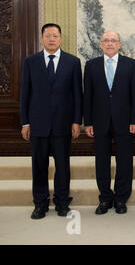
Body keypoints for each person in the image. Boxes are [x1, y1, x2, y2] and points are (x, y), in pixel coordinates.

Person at [20, 23, 82, 219]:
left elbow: (77, 95)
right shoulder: (30, 62)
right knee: (39, 166)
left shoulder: (72, 62)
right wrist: (25, 123)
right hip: (38, 124)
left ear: (61, 38)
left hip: (63, 124)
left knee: (63, 166)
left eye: (55, 36)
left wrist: (76, 121)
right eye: (48, 35)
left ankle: (62, 203)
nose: (52, 39)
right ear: (42, 38)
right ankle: (40, 204)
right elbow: (25, 95)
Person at [83, 30, 135, 215]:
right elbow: (88, 96)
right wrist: (88, 122)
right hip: (99, 121)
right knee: (102, 161)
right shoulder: (91, 66)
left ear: (119, 44)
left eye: (113, 40)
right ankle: (105, 198)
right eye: (106, 40)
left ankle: (121, 199)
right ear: (100, 44)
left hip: (125, 121)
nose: (109, 43)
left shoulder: (131, 65)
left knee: (124, 161)